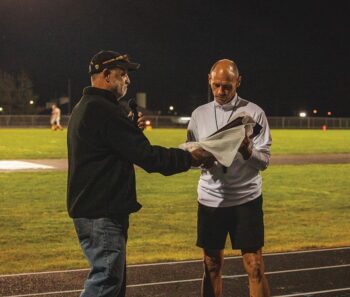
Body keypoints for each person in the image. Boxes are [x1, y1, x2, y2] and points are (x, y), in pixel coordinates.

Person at [67, 50, 214, 297]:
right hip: (101, 212)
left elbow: (111, 149)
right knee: (106, 281)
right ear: (105, 75)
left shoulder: (89, 106)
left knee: (113, 283)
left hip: (95, 208)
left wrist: (128, 131)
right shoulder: (104, 110)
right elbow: (148, 157)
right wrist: (189, 157)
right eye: (122, 74)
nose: (128, 80)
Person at [187, 59, 272, 297]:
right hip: (211, 199)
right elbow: (192, 155)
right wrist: (199, 160)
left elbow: (264, 161)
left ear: (238, 82)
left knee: (254, 265)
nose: (221, 92)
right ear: (209, 81)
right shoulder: (198, 115)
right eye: (216, 86)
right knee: (211, 265)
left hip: (246, 198)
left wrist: (247, 151)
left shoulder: (255, 113)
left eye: (227, 86)